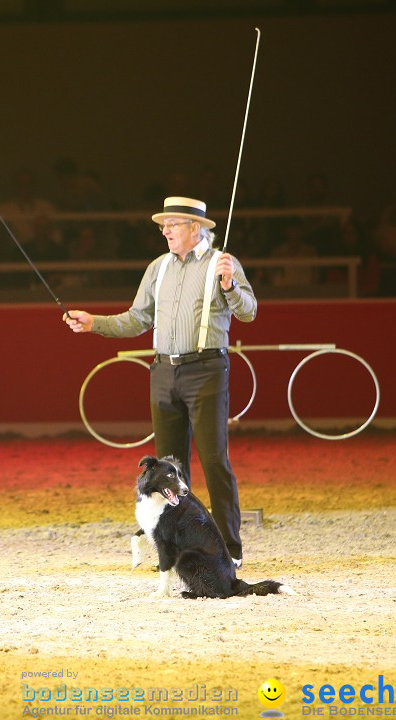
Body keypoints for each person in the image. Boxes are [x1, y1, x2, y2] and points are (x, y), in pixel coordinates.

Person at [63, 196, 256, 566]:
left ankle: (229, 550)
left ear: (195, 228)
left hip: (207, 369)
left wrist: (230, 286)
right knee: (168, 467)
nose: (165, 230)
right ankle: (176, 546)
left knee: (214, 460)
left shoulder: (222, 264)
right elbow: (137, 319)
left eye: (173, 224)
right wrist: (94, 323)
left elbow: (249, 311)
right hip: (164, 371)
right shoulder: (158, 268)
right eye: (163, 225)